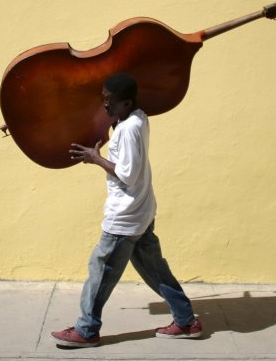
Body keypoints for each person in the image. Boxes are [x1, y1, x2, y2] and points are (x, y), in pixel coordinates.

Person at [50, 72, 202, 348]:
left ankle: (86, 330)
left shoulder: (127, 129)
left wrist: (96, 158)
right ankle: (186, 320)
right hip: (142, 211)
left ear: (127, 102)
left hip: (125, 217)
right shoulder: (139, 117)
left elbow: (127, 175)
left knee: (100, 270)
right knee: (156, 271)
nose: (104, 105)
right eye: (103, 98)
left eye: (110, 101)